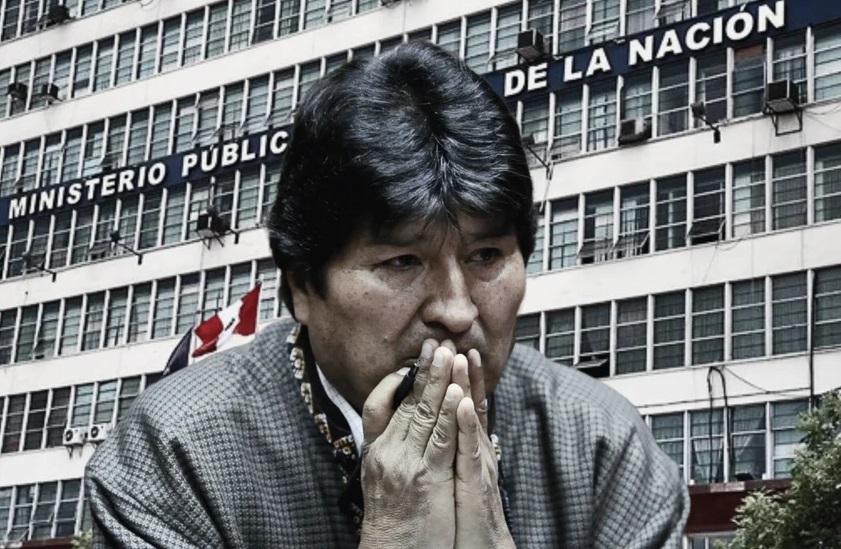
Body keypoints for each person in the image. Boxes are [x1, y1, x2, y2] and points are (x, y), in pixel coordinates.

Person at [85, 41, 688, 548]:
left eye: (486, 256)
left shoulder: (602, 448)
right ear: (302, 287)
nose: (457, 311)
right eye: (402, 262)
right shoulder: (177, 455)